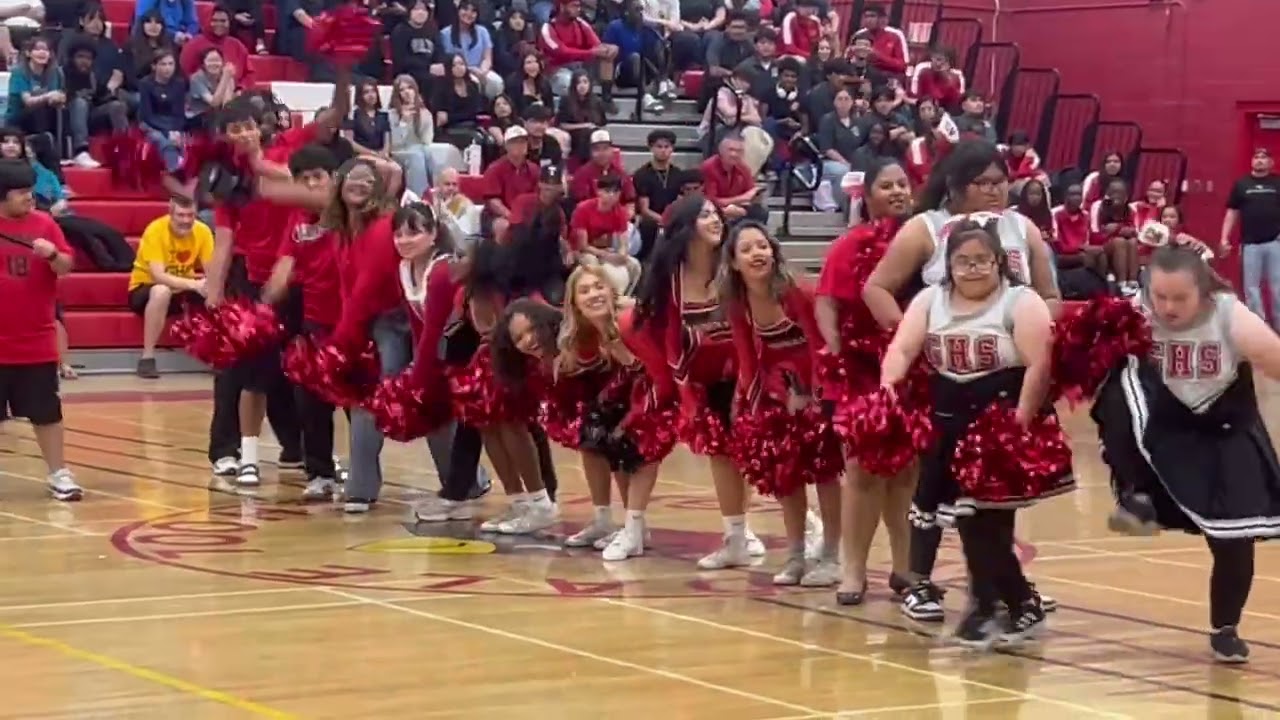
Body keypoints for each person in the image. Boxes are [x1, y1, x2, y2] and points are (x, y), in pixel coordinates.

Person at [863, 139, 1061, 622]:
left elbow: (1051, 296)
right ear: (955, 185)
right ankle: (920, 581)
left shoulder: (1022, 228)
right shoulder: (926, 228)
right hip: (947, 376)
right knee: (933, 487)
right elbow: (877, 287)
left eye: (1001, 181)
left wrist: (1030, 330)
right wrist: (916, 341)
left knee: (996, 494)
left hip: (1007, 380)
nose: (995, 190)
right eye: (983, 182)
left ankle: (997, 585)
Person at [883, 215, 1070, 647]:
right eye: (963, 261)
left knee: (982, 522)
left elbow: (1039, 365)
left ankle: (988, 607)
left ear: (999, 261)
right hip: (948, 421)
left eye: (982, 260)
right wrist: (888, 386)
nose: (973, 269)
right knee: (967, 519)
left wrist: (1021, 422)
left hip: (1001, 422)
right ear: (947, 265)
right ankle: (1017, 603)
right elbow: (903, 348)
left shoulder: (1021, 301)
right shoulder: (930, 300)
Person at [1092, 246, 1280, 664]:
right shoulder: (1133, 313)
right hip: (1168, 431)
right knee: (1118, 389)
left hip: (1224, 428)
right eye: (1159, 296)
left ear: (1204, 291)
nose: (1168, 307)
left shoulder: (1229, 315)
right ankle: (1137, 492)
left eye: (1180, 298)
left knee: (1233, 538)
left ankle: (1225, 627)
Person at [202, 79, 352, 482]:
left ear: (262, 126)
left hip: (305, 279)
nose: (243, 134)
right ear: (224, 136)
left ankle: (306, 452)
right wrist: (214, 295)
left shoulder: (289, 149)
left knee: (304, 373)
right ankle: (232, 452)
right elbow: (224, 240)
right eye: (234, 129)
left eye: (248, 126)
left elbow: (333, 120)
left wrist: (344, 73)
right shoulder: (226, 182)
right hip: (255, 281)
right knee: (242, 371)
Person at [629, 193, 769, 567]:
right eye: (705, 214)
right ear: (686, 226)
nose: (716, 219)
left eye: (716, 213)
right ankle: (735, 535)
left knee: (760, 456)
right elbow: (671, 343)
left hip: (749, 373)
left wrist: (748, 387)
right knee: (722, 456)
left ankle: (806, 529)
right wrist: (687, 395)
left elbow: (750, 330)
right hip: (702, 380)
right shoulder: (670, 279)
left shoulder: (733, 268)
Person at [496, 267, 672, 556]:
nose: (528, 339)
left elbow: (649, 369)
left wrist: (632, 379)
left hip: (658, 388)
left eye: (598, 287)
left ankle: (635, 528)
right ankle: (614, 523)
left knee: (637, 451)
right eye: (519, 338)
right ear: (573, 303)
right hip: (622, 395)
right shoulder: (574, 337)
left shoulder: (627, 319)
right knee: (598, 444)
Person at [814, 158, 915, 604]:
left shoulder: (925, 240)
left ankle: (905, 567)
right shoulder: (850, 245)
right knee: (861, 471)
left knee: (908, 471)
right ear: (868, 194)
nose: (897, 192)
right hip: (860, 372)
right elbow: (827, 303)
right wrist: (836, 357)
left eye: (903, 184)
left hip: (911, 369)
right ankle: (853, 570)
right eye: (886, 185)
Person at [721, 221, 842, 586]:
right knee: (786, 474)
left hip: (818, 387)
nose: (757, 254)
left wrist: (814, 400)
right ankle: (796, 555)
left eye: (762, 246)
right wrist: (752, 405)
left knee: (825, 472)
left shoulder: (797, 292)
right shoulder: (738, 302)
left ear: (774, 252)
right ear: (734, 262)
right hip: (779, 390)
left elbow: (820, 348)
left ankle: (833, 555)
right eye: (746, 250)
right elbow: (746, 356)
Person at [260, 145, 349, 500]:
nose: (311, 185)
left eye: (318, 177)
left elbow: (388, 173)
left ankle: (364, 476)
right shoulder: (297, 222)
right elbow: (284, 267)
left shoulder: (348, 210)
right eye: (304, 179)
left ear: (335, 179)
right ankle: (320, 473)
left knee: (357, 403)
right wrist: (265, 302)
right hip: (314, 320)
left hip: (354, 321)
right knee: (310, 399)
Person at [0, 159, 80, 500]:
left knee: (46, 413)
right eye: (20, 193)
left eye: (30, 191)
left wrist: (52, 255)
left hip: (35, 341)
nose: (29, 198)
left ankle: (58, 472)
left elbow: (66, 267)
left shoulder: (45, 224)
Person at [128, 196, 212, 378]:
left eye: (190, 215)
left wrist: (210, 286)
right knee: (161, 291)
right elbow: (158, 275)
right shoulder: (155, 230)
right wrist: (194, 284)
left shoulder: (203, 231)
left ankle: (218, 356)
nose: (186, 220)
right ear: (170, 214)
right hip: (145, 287)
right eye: (181, 215)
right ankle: (147, 358)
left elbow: (212, 270)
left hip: (182, 288)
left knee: (217, 291)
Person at [1220, 148, 1280, 331]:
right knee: (1251, 289)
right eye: (1256, 157)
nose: (1259, 160)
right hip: (1250, 245)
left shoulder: (1277, 183)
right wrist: (1224, 238)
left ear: (1271, 162)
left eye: (1264, 157)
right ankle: (1259, 327)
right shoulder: (1241, 184)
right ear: (1252, 161)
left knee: (1278, 287)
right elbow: (1232, 212)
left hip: (1275, 243)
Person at [569, 175, 641, 295]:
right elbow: (583, 246)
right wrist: (605, 254)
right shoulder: (583, 209)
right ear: (599, 191)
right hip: (582, 251)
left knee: (634, 265)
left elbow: (623, 242)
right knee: (592, 262)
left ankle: (623, 297)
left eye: (616, 192)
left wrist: (622, 255)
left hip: (605, 249)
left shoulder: (620, 212)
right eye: (607, 191)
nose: (612, 195)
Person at [439, 0, 503, 98]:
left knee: (496, 82)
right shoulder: (445, 33)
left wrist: (483, 72)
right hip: (458, 72)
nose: (469, 13)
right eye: (465, 9)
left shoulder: (482, 31)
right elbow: (447, 61)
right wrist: (471, 70)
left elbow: (487, 58)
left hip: (480, 69)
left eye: (473, 11)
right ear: (458, 11)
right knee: (474, 83)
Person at [701, 132, 767, 223]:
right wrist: (741, 199)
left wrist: (753, 198)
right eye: (731, 150)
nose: (734, 154)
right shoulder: (708, 167)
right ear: (721, 150)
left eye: (739, 151)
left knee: (760, 211)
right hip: (714, 209)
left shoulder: (743, 168)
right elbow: (710, 201)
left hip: (737, 208)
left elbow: (750, 195)